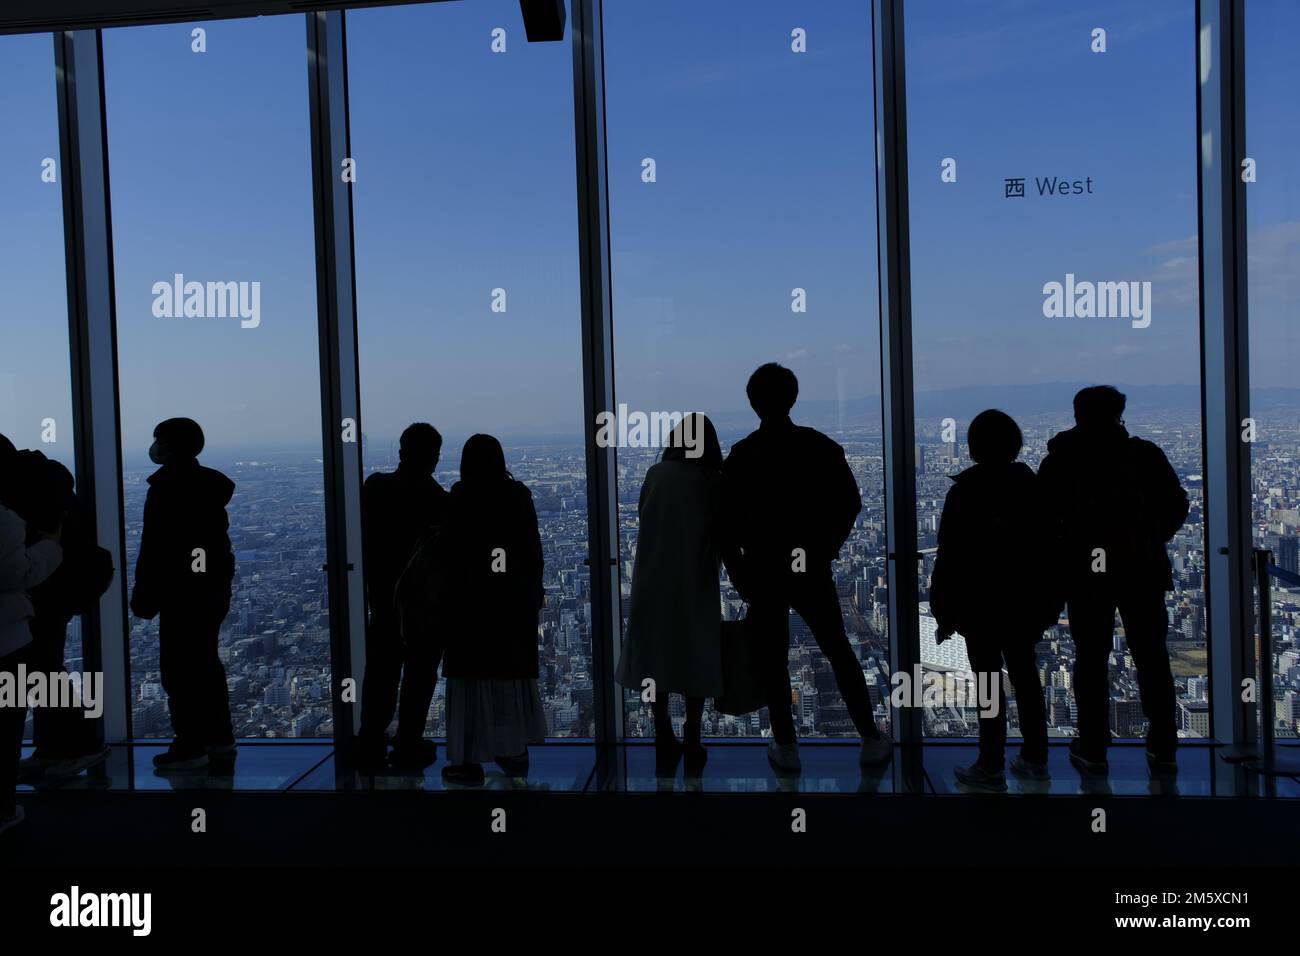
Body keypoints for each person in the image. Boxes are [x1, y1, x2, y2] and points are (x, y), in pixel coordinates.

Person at [723, 363, 891, 773]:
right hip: (810, 568)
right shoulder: (820, 447)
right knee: (838, 649)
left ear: (752, 403)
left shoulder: (743, 456)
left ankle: (786, 745)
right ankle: (870, 736)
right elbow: (849, 503)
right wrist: (824, 548)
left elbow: (725, 524)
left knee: (773, 659)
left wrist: (741, 572)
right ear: (793, 398)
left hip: (763, 571)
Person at [1037, 386, 1189, 776]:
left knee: (1090, 658)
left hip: (1085, 574)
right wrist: (1150, 538)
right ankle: (1164, 747)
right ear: (1120, 414)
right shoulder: (1144, 455)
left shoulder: (1062, 460)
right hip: (1141, 570)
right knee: (1152, 658)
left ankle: (1092, 746)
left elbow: (1041, 520)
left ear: (1077, 415)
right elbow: (1177, 504)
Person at [929, 409, 1056, 792]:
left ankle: (990, 764)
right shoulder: (1032, 489)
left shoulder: (966, 491)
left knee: (988, 682)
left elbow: (949, 555)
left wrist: (944, 610)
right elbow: (1050, 549)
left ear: (973, 447)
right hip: (1024, 603)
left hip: (979, 605)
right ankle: (1035, 759)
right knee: (1026, 678)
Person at [431, 435, 545, 787]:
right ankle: (513, 751)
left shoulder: (460, 498)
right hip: (510, 606)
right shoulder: (518, 496)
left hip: (469, 607)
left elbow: (448, 556)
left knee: (470, 683)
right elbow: (532, 551)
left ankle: (467, 759)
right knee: (506, 679)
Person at [616, 414, 725, 776]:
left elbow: (644, 516)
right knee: (696, 654)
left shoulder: (655, 475)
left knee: (655, 658)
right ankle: (692, 737)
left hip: (652, 581)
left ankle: (662, 731)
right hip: (694, 580)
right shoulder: (711, 480)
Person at [129, 418, 237, 772]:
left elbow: (156, 547)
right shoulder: (209, 487)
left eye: (158, 440)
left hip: (181, 593)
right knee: (206, 664)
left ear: (170, 446)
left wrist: (145, 594)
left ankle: (189, 745)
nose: (154, 446)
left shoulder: (166, 488)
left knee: (178, 671)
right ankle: (219, 739)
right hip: (212, 590)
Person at [357, 423, 449, 771]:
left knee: (380, 672)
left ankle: (370, 739)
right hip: (425, 609)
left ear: (400, 452)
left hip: (382, 602)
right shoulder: (440, 502)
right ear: (435, 457)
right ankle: (408, 741)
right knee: (420, 675)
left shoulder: (376, 488)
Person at [16, 454, 113, 781]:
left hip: (47, 588)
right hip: (56, 588)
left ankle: (77, 745)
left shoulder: (31, 490)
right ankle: (56, 748)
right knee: (42, 669)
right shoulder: (47, 480)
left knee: (40, 669)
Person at [0, 433, 64, 836]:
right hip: (5, 640)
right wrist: (51, 548)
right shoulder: (3, 517)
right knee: (5, 725)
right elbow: (15, 574)